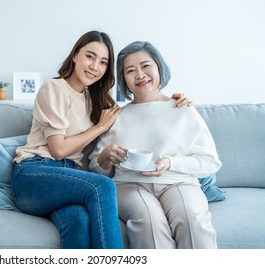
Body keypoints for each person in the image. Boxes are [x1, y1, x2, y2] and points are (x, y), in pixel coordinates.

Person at [11, 31, 190, 249]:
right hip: (34, 175)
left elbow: (137, 108)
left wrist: (168, 101)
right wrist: (99, 127)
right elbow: (58, 150)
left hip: (70, 180)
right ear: (75, 55)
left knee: (78, 220)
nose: (95, 66)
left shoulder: (98, 100)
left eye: (103, 62)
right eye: (90, 56)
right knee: (103, 186)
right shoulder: (54, 89)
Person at [89, 41, 222, 249]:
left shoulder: (183, 109)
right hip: (129, 184)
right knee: (148, 221)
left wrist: (170, 162)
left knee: (192, 217)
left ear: (159, 67)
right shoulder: (117, 116)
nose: (140, 75)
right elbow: (96, 169)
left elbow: (210, 162)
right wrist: (106, 155)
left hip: (178, 182)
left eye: (145, 65)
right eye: (130, 70)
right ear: (124, 79)